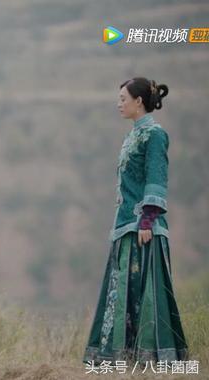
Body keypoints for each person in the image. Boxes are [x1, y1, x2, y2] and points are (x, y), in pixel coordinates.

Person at [83, 78, 188, 364]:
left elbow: (156, 177)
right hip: (125, 226)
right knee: (123, 292)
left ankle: (150, 358)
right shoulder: (132, 136)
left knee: (147, 293)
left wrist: (147, 220)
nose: (119, 104)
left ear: (138, 101)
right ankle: (123, 356)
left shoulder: (155, 135)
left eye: (122, 98)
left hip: (144, 229)